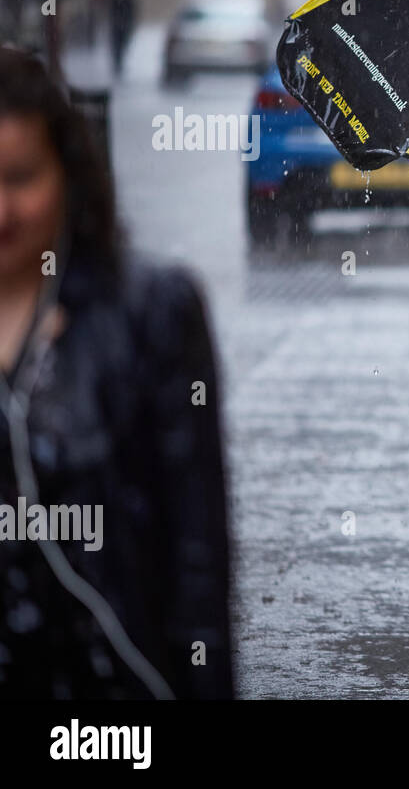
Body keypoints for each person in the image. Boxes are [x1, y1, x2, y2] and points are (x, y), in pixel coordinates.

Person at [0, 46, 233, 698]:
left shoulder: (153, 313)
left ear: (68, 175)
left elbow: (197, 563)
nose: (2, 214)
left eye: (21, 179)